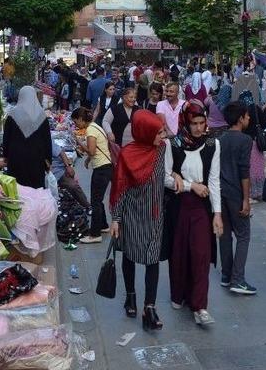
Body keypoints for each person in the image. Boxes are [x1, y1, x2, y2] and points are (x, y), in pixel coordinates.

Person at [166, 100, 223, 325]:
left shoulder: (212, 145)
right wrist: (191, 186)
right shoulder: (174, 144)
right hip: (179, 205)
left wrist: (217, 213)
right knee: (180, 254)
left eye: (202, 122)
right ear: (185, 123)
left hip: (202, 206)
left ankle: (200, 305)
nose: (199, 128)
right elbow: (166, 178)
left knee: (201, 254)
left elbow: (214, 180)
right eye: (194, 123)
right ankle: (180, 294)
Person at [109, 109, 168, 331]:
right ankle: (131, 295)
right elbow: (121, 188)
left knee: (153, 259)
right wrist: (116, 218)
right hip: (131, 215)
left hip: (155, 216)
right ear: (145, 132)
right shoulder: (128, 154)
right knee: (130, 256)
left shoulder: (162, 151)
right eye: (158, 132)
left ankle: (149, 307)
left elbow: (169, 175)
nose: (162, 136)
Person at [218, 101, 255, 294]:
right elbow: (244, 171)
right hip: (235, 192)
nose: (249, 118)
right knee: (243, 235)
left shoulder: (221, 139)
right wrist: (246, 199)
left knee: (225, 235)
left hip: (221, 191)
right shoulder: (245, 140)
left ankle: (226, 274)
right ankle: (238, 279)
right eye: (247, 116)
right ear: (240, 118)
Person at [72, 107, 114, 243]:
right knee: (99, 199)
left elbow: (91, 151)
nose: (76, 125)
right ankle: (103, 225)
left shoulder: (90, 130)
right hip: (106, 166)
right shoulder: (96, 126)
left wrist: (79, 143)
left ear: (80, 119)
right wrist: (89, 160)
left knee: (95, 201)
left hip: (101, 168)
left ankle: (95, 234)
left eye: (76, 122)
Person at [2, 86, 53, 189]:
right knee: (35, 188)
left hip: (16, 157)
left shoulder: (12, 115)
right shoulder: (41, 115)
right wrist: (48, 159)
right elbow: (47, 140)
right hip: (36, 158)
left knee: (18, 188)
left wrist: (6, 155)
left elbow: (6, 138)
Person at [51, 141, 90, 208]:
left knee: (73, 186)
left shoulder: (46, 141)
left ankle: (86, 205)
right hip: (43, 176)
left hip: (57, 172)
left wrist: (68, 166)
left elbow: (61, 152)